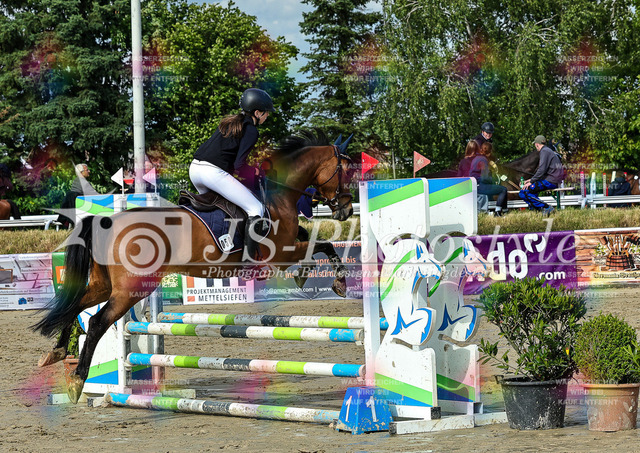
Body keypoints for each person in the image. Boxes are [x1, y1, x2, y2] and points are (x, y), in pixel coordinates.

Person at [189, 88, 275, 260]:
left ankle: (223, 244)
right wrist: (254, 172)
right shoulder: (251, 130)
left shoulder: (230, 122)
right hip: (212, 173)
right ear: (257, 113)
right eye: (266, 113)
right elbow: (238, 165)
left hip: (195, 170)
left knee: (221, 208)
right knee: (256, 209)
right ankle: (248, 263)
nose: (267, 116)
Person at [519, 135, 564, 215]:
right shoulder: (548, 150)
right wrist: (530, 180)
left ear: (537, 144)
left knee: (524, 192)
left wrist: (531, 181)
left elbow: (541, 170)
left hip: (550, 181)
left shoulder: (544, 151)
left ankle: (546, 207)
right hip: (553, 180)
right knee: (529, 191)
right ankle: (538, 210)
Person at [469, 142, 508, 216]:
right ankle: (498, 212)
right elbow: (485, 178)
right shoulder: (483, 160)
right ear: (490, 152)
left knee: (501, 189)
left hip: (474, 185)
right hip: (480, 186)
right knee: (503, 189)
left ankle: (505, 211)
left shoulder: (476, 158)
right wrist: (493, 180)